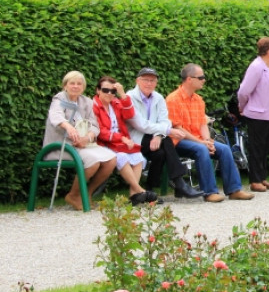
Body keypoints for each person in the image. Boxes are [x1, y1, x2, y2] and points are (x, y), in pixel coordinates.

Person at [166, 64, 254, 202]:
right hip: (179, 141)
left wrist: (208, 140)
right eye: (201, 77)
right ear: (189, 79)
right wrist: (202, 143)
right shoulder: (173, 99)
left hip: (198, 140)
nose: (204, 80)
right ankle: (209, 192)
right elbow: (178, 129)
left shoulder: (199, 100)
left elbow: (203, 124)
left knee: (224, 149)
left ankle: (234, 190)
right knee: (201, 149)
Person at [42, 71, 117, 211]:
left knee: (111, 159)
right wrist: (68, 127)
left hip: (83, 144)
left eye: (79, 84)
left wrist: (87, 138)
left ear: (83, 87)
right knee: (93, 161)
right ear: (65, 85)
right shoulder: (59, 99)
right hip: (62, 145)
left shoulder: (86, 102)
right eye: (72, 83)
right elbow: (56, 117)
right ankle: (74, 195)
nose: (76, 86)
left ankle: (87, 193)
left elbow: (95, 126)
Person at [126, 67, 202, 200]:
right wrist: (165, 132)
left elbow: (165, 121)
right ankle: (179, 183)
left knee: (160, 153)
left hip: (154, 137)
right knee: (166, 141)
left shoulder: (158, 97)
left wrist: (158, 135)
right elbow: (140, 124)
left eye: (152, 80)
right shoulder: (129, 97)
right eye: (145, 80)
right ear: (137, 81)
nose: (149, 83)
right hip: (135, 137)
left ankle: (150, 191)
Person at [92, 76, 160, 205]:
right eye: (105, 90)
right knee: (122, 157)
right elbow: (100, 132)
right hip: (104, 143)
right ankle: (140, 190)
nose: (109, 94)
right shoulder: (94, 106)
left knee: (138, 156)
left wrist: (123, 95)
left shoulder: (116, 103)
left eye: (112, 91)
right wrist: (121, 138)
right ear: (98, 90)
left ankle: (134, 194)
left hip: (120, 142)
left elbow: (129, 115)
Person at [236, 36, 269, 192]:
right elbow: (244, 91)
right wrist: (242, 107)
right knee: (257, 148)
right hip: (257, 113)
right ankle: (255, 180)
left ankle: (262, 177)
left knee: (265, 147)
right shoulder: (256, 66)